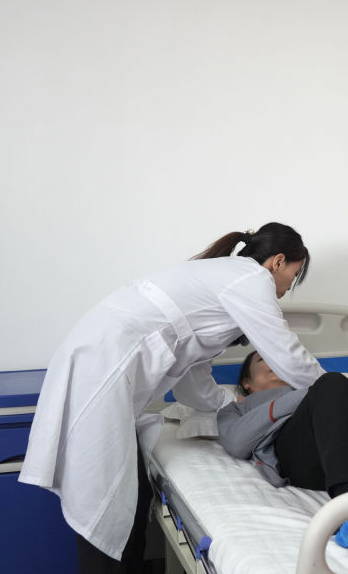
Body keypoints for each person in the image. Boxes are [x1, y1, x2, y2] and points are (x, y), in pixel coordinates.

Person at [20, 222, 326, 573]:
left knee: (130, 493)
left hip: (104, 356)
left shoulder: (224, 280)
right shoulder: (251, 279)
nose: (286, 290)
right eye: (294, 276)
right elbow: (287, 354)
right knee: (103, 497)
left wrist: (234, 407)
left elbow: (191, 382)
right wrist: (335, 388)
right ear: (278, 261)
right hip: (105, 364)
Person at [218, 352, 348, 551]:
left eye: (275, 355)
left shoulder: (326, 390)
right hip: (302, 457)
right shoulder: (237, 408)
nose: (273, 359)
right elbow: (236, 442)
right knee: (332, 382)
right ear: (246, 382)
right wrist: (315, 392)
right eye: (263, 358)